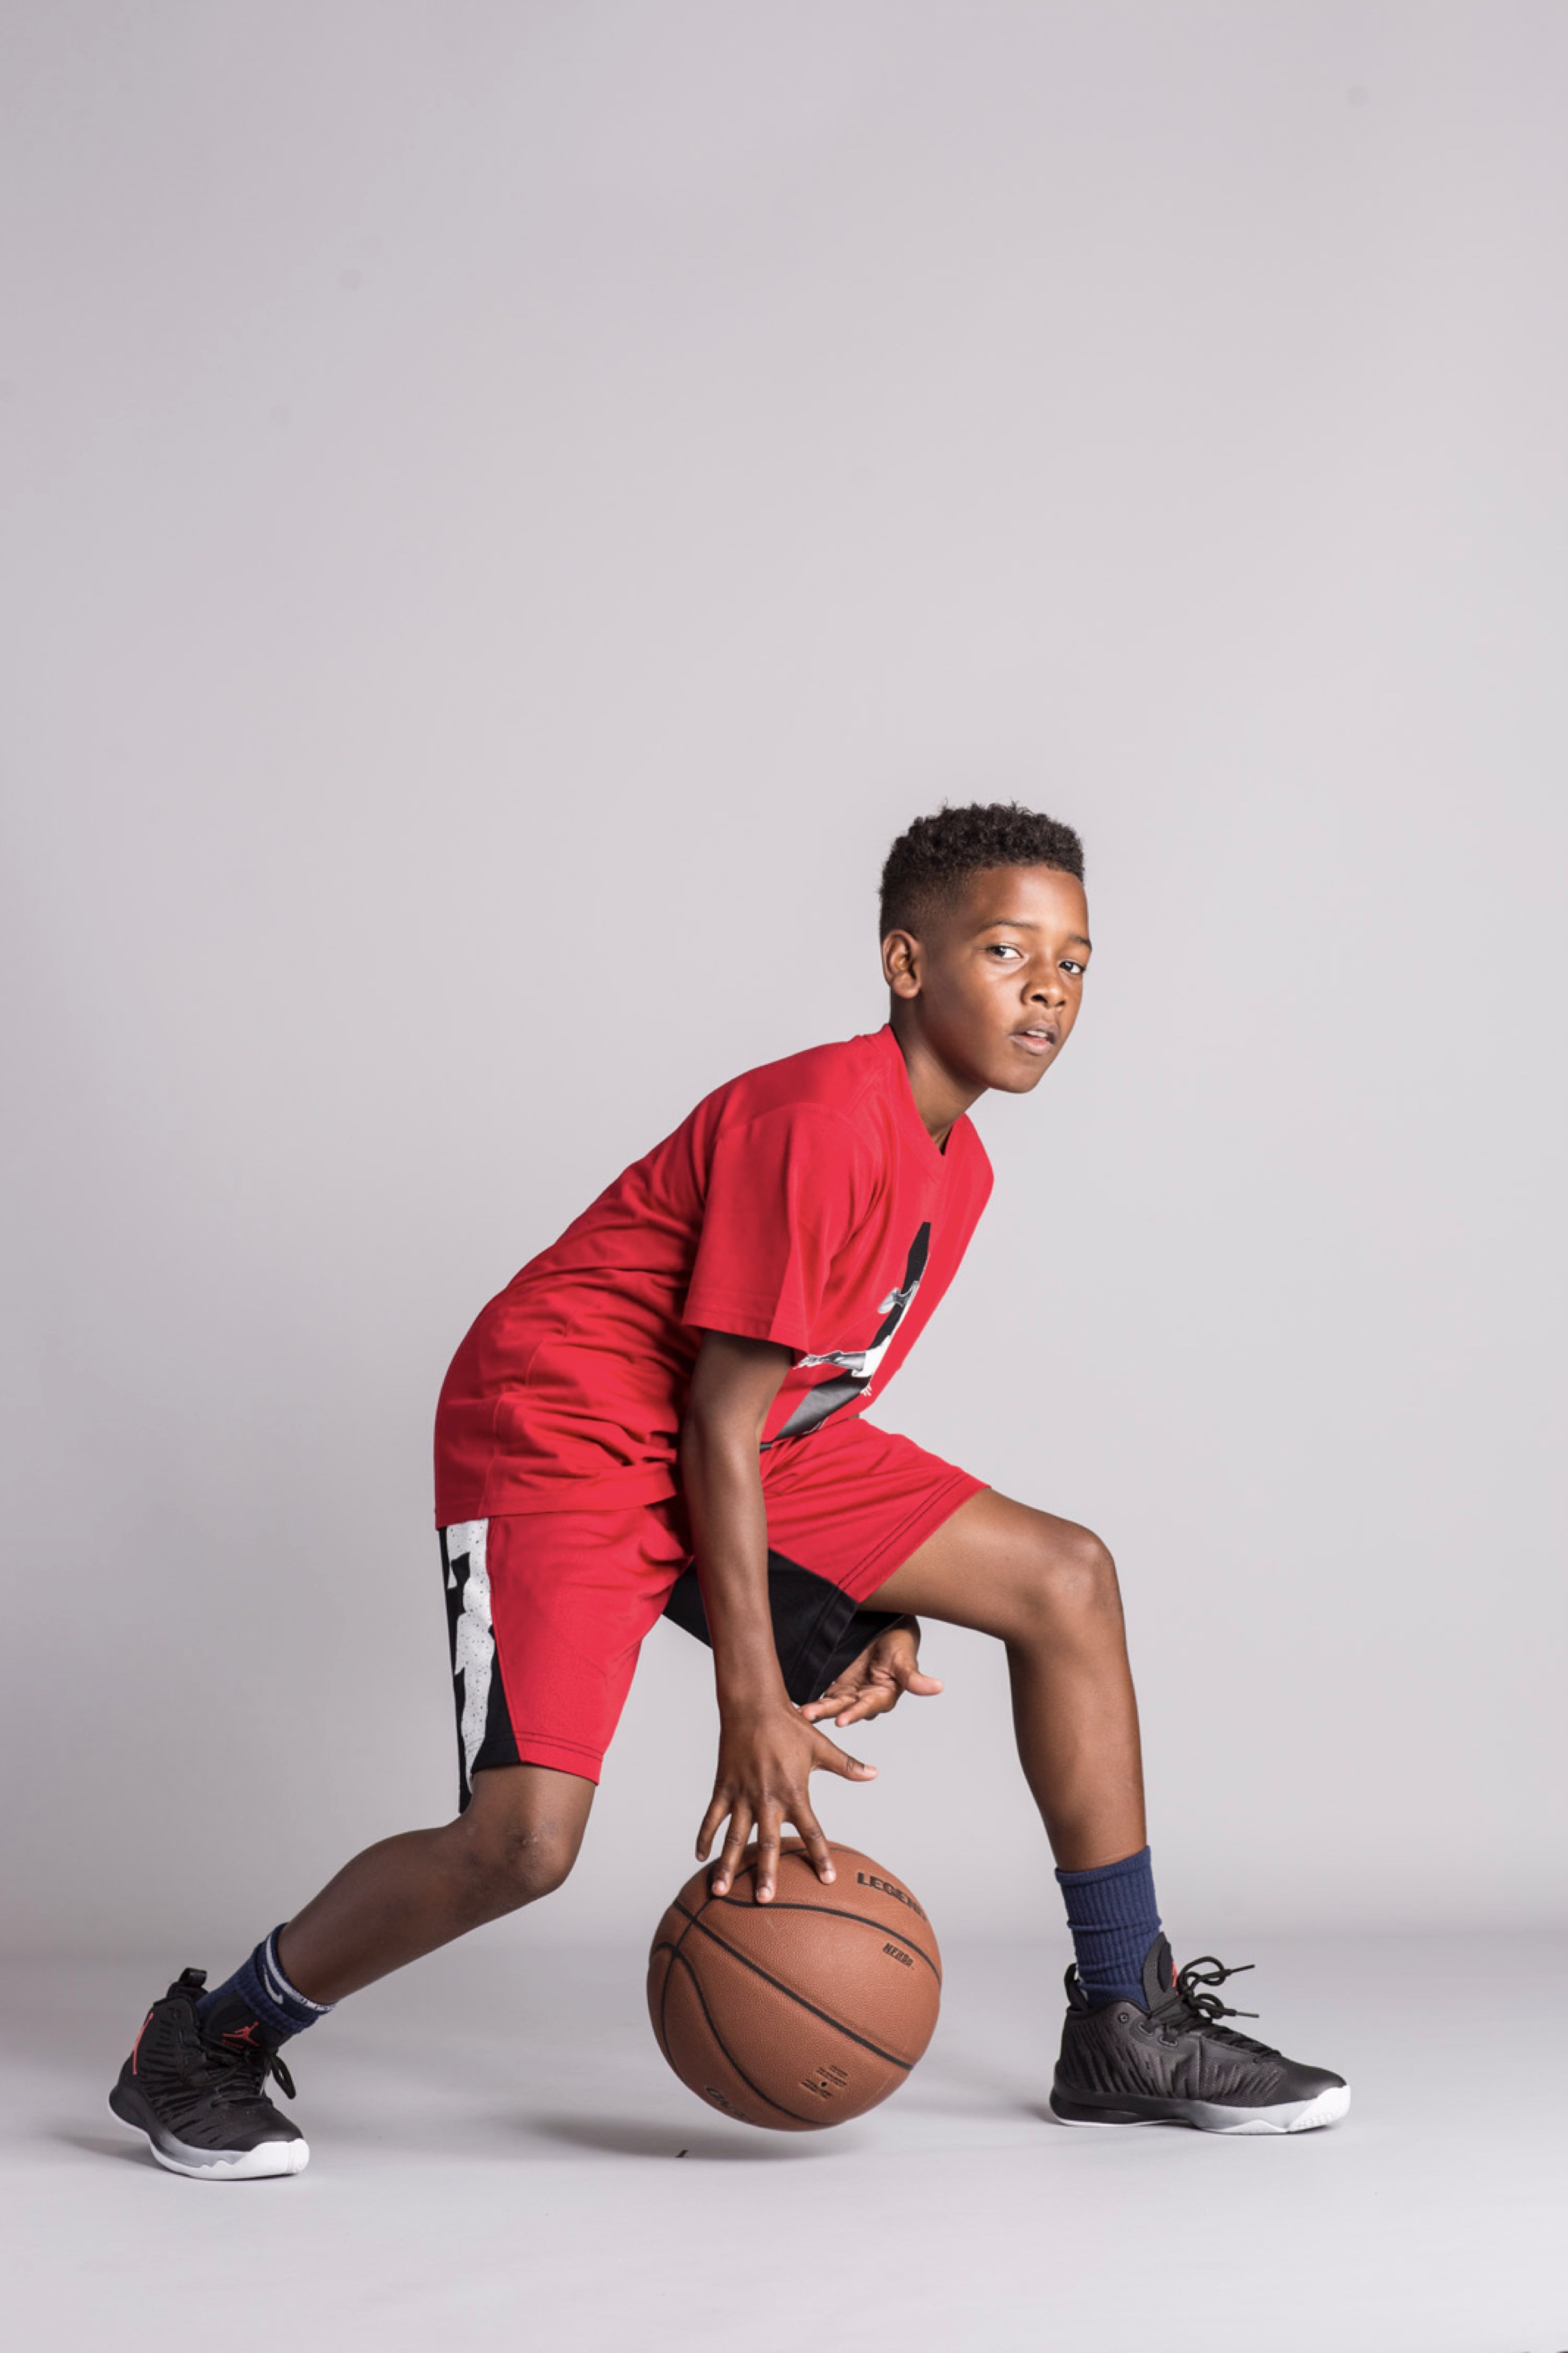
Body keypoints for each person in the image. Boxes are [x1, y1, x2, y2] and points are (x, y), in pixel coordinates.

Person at [109, 802, 1348, 2178]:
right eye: (1008, 950)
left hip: (737, 1435)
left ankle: (1125, 2016)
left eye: (1074, 962)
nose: (1048, 988)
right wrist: (753, 1693)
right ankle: (205, 2040)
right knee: (522, 1846)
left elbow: (783, 1414)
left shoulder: (962, 1166)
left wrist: (856, 1608)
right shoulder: (821, 1118)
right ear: (905, 963)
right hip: (567, 1426)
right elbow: (713, 1417)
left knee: (1064, 1575)